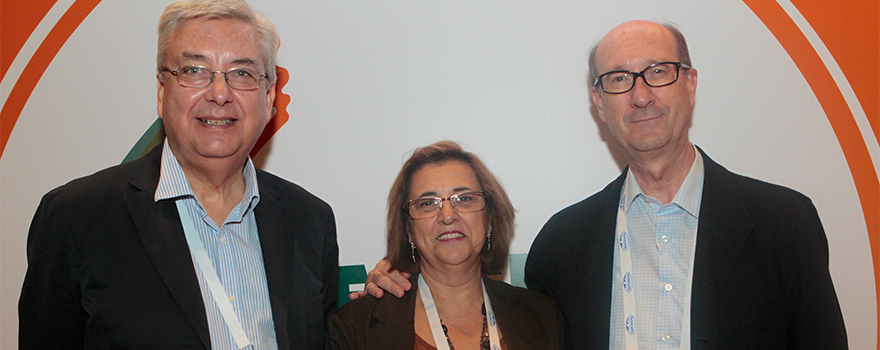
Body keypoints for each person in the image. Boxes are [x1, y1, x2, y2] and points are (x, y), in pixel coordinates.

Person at [356, 21, 848, 349]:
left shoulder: (784, 223)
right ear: (598, 101)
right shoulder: (564, 244)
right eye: (618, 79)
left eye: (658, 72)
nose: (640, 96)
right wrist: (395, 281)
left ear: (691, 83)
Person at [18, 0, 338, 349]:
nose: (219, 94)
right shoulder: (76, 219)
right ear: (161, 91)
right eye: (195, 71)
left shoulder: (310, 221)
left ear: (269, 96)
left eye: (242, 73)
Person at [329, 141, 563, 350]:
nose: (448, 215)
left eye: (464, 198)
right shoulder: (355, 327)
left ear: (490, 219)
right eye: (428, 203)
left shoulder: (543, 317)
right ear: (408, 230)